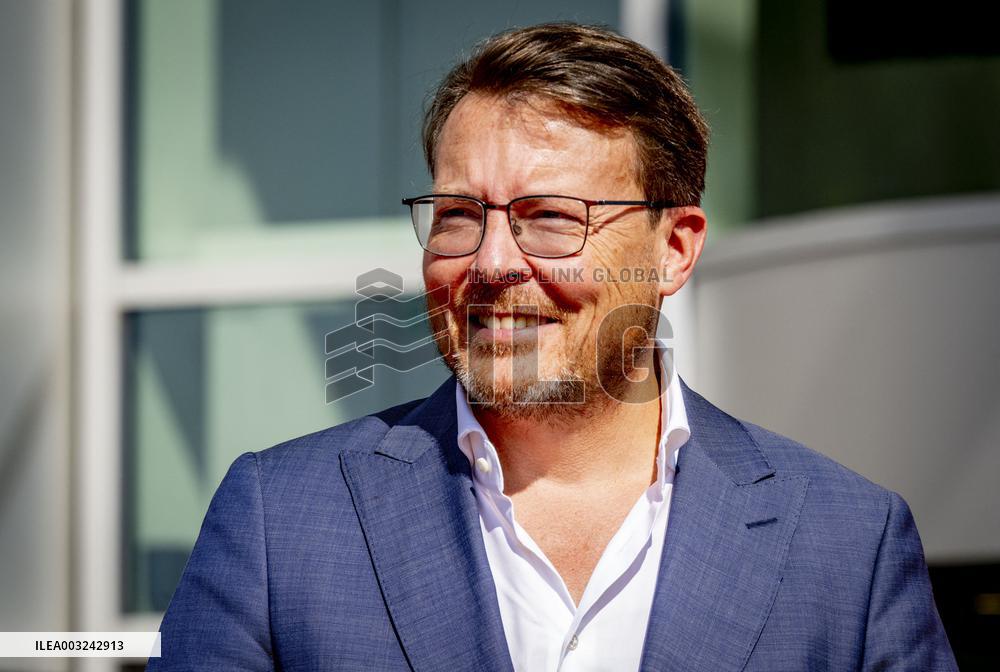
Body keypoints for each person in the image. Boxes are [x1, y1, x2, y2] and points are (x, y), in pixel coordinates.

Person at [148, 23, 957, 671]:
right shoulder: (279, 521)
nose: (494, 262)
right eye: (460, 215)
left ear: (673, 248)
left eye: (551, 217)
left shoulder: (845, 544)